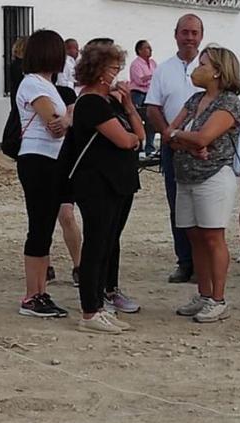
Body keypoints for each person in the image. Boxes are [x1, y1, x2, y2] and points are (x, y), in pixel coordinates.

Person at [70, 43, 144, 334]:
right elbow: (126, 141)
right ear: (101, 72)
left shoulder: (111, 103)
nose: (117, 75)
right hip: (97, 183)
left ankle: (100, 305)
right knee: (96, 245)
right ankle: (90, 310)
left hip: (118, 182)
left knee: (108, 243)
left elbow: (139, 134)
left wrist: (129, 107)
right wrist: (133, 138)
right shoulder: (91, 103)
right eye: (114, 69)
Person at [167, 46, 240, 323]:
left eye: (202, 64)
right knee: (194, 236)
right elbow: (169, 134)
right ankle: (203, 293)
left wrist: (184, 138)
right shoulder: (194, 99)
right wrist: (185, 139)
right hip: (185, 176)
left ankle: (218, 298)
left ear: (217, 71)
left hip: (212, 176)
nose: (196, 69)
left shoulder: (229, 102)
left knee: (212, 237)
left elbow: (203, 138)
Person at [10, 30, 72, 318]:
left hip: (50, 159)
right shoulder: (32, 84)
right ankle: (31, 295)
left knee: (45, 226)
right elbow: (54, 123)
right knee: (39, 226)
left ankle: (40, 291)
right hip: (37, 159)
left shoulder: (47, 84)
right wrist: (73, 115)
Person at [146, 13, 204, 284]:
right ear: (176, 35)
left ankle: (204, 263)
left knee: (204, 206)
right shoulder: (163, 69)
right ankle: (185, 261)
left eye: (194, 32)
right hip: (173, 148)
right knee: (178, 206)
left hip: (205, 148)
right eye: (185, 32)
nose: (189, 37)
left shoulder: (211, 67)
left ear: (201, 36)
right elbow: (153, 108)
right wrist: (169, 136)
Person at [129, 39, 158, 157]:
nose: (150, 50)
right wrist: (152, 76)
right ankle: (139, 148)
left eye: (150, 47)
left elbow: (157, 78)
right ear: (139, 50)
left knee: (151, 121)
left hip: (150, 94)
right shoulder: (135, 64)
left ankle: (149, 148)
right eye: (147, 48)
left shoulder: (153, 63)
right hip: (138, 94)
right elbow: (139, 80)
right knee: (137, 120)